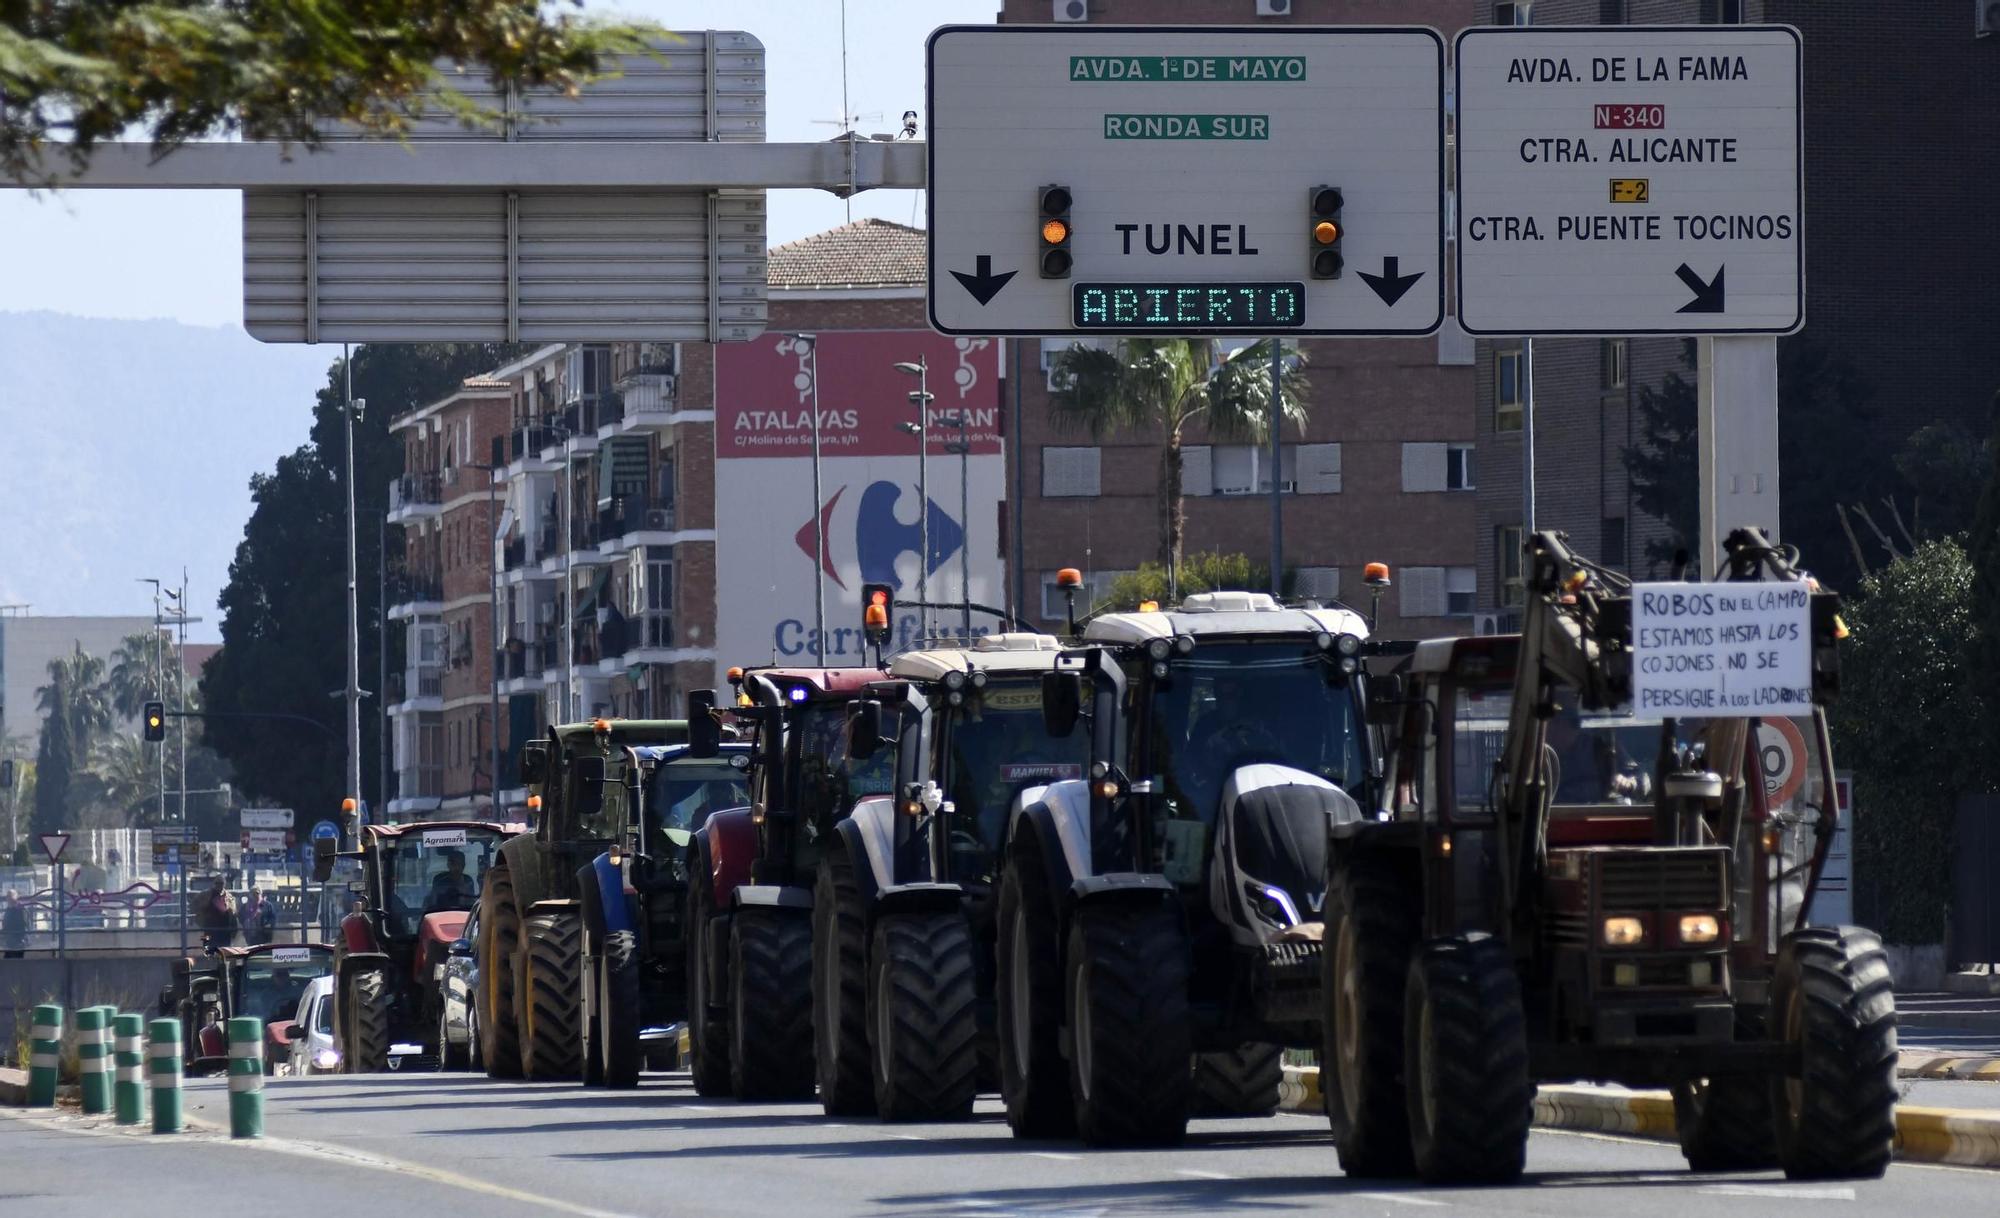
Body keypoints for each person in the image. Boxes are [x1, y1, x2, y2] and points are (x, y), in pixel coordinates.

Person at [197, 877, 238, 945]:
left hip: (224, 929)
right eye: (217, 883)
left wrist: (234, 931)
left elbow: (233, 914)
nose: (219, 885)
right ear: (214, 884)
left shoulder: (229, 897)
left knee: (224, 950)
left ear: (224, 884)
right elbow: (197, 907)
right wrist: (200, 921)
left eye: (221, 883)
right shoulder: (205, 895)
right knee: (207, 948)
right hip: (208, 927)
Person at [3, 889, 27, 957]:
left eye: (10, 896)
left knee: (13, 961)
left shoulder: (19, 909)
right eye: (8, 896)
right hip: (12, 941)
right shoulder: (10, 909)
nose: (8, 898)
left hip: (16, 941)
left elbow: (23, 925)